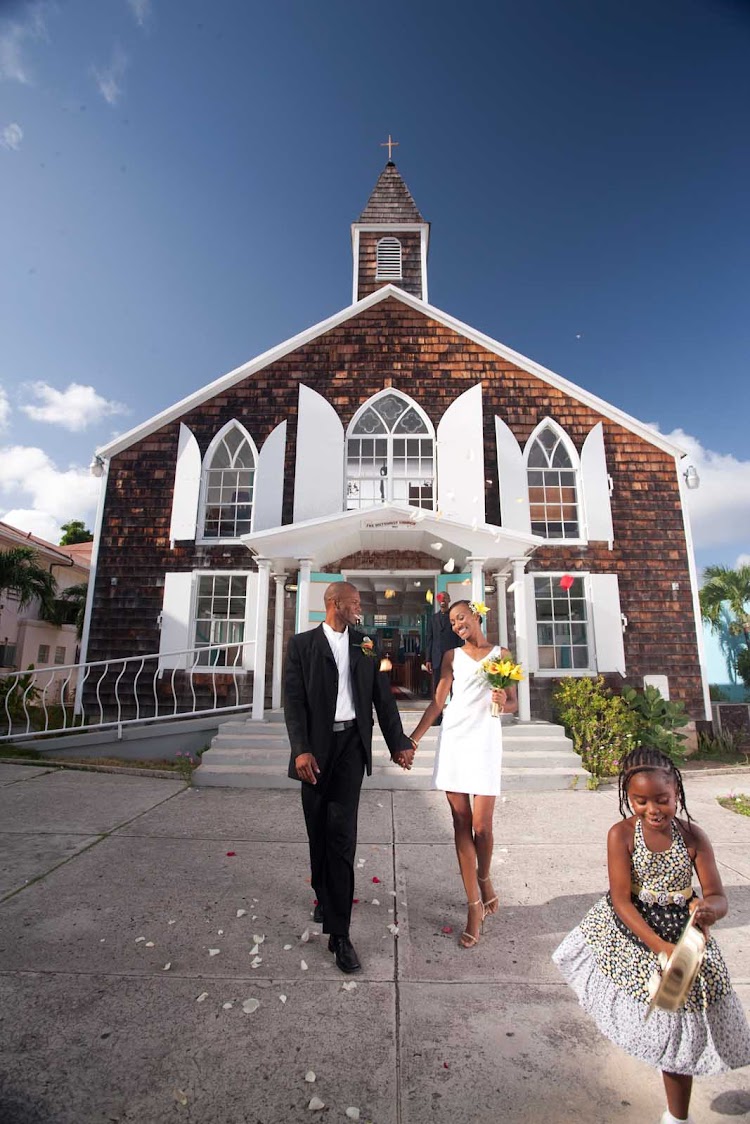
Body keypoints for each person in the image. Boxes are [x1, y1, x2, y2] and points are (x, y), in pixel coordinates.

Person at [553, 746, 750, 1124]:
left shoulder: (693, 837)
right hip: (637, 932)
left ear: (677, 791)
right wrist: (658, 946)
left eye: (662, 800)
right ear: (628, 797)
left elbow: (718, 896)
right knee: (647, 1015)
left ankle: (677, 1117)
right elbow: (621, 901)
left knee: (679, 1026)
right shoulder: (621, 835)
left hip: (685, 939)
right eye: (640, 801)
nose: (653, 810)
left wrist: (709, 910)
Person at [284, 581, 415, 974]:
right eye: (354, 602)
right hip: (314, 752)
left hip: (350, 751)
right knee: (317, 832)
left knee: (342, 835)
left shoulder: (365, 645)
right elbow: (293, 701)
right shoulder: (302, 645)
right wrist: (300, 749)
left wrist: (398, 742)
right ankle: (322, 893)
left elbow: (382, 698)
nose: (360, 608)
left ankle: (339, 935)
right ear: (334, 603)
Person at [408, 599, 517, 949]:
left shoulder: (501, 654)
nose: (457, 626)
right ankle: (473, 906)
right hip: (455, 739)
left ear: (476, 615)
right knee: (460, 822)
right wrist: (413, 739)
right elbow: (439, 702)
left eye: (461, 618)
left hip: (485, 740)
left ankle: (484, 877)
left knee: (483, 827)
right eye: (452, 623)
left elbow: (512, 702)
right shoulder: (451, 657)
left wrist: (504, 698)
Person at [424, 592, 463, 722]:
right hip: (436, 657)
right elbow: (430, 639)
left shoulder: (454, 618)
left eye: (446, 598)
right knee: (437, 688)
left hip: (452, 657)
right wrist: (428, 659)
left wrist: (460, 655)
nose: (443, 600)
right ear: (437, 600)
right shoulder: (433, 619)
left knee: (454, 687)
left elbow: (459, 638)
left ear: (449, 600)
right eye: (441, 598)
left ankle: (455, 716)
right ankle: (437, 717)